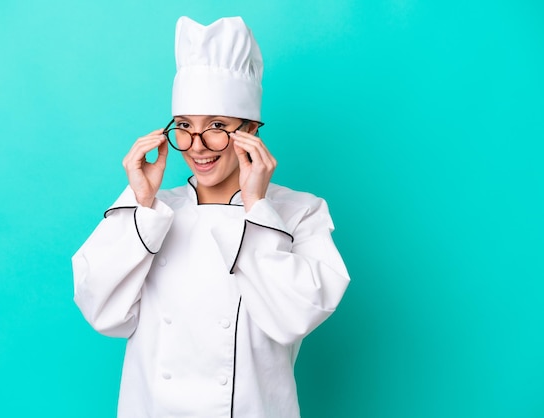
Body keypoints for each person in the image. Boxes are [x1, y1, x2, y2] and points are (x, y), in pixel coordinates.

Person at [72, 15, 350, 418]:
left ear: (251, 129)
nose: (197, 147)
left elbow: (294, 317)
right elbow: (101, 310)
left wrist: (257, 207)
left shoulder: (299, 211)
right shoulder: (152, 209)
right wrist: (141, 203)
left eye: (217, 126)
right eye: (184, 126)